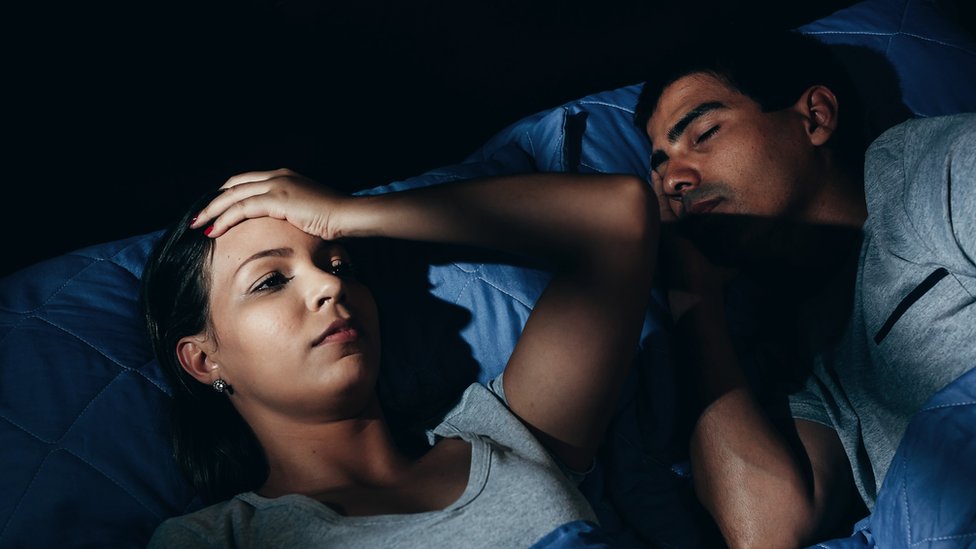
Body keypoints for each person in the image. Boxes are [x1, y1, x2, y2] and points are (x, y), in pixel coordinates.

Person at [140, 168, 657, 547]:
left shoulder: (511, 438)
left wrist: (345, 214)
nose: (329, 283)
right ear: (204, 360)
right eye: (270, 280)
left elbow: (621, 214)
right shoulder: (217, 539)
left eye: (342, 265)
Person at [632, 29, 976, 548]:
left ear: (815, 117)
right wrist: (691, 286)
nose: (674, 180)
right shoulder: (802, 342)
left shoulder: (928, 169)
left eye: (702, 134)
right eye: (660, 170)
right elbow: (766, 529)